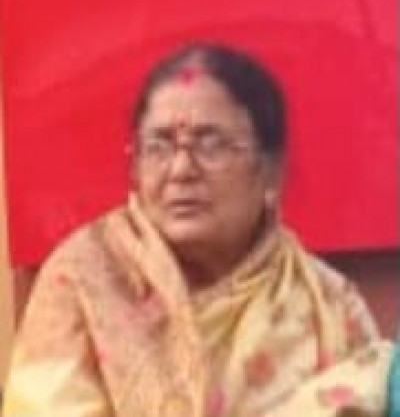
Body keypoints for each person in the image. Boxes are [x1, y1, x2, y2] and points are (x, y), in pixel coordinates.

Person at [2, 44, 392, 417]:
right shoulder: (85, 281)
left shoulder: (328, 302)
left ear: (272, 170)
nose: (181, 170)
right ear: (135, 167)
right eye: (159, 146)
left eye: (211, 145)